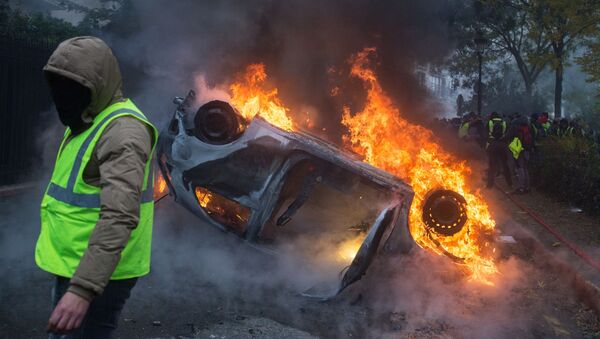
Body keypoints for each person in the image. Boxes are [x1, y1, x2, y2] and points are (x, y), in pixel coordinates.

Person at [35, 36, 157, 338]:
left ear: (98, 84)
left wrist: (83, 290)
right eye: (57, 85)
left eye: (73, 87)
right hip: (81, 264)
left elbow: (120, 215)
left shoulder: (123, 132)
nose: (62, 96)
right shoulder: (89, 117)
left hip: (98, 275)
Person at [507, 115, 533, 194]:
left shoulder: (516, 128)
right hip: (527, 150)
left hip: (519, 151)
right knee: (525, 168)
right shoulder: (529, 128)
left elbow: (509, 136)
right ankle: (527, 187)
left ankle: (521, 188)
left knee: (519, 168)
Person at [486, 112, 512, 188]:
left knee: (492, 165)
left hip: (493, 145)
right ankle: (509, 183)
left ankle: (490, 184)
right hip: (502, 145)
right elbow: (508, 134)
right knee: (505, 165)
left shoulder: (490, 122)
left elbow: (485, 135)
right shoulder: (504, 123)